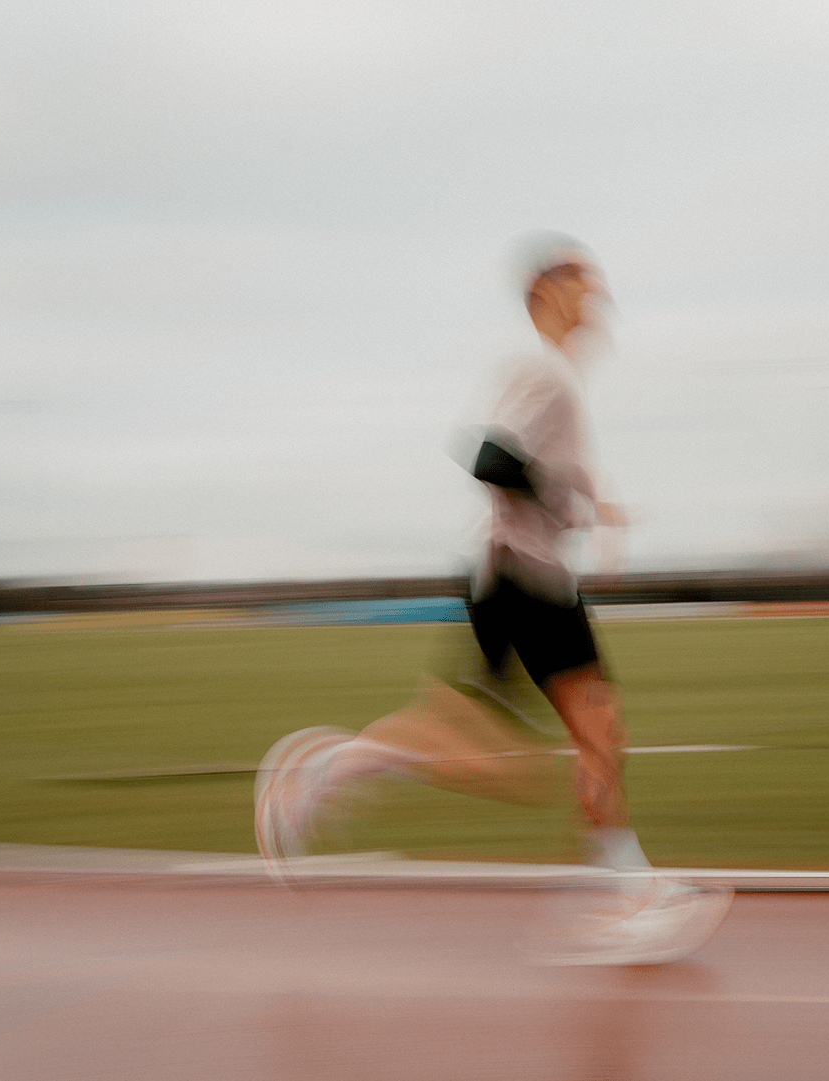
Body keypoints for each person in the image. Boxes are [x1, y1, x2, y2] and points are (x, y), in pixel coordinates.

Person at [252, 233, 729, 963]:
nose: (597, 298)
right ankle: (626, 891)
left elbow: (547, 466)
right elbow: (489, 456)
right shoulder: (540, 369)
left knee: (579, 734)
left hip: (530, 578)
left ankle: (628, 890)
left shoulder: (559, 381)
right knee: (537, 750)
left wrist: (598, 512)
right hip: (519, 578)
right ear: (544, 293)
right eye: (583, 284)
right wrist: (566, 506)